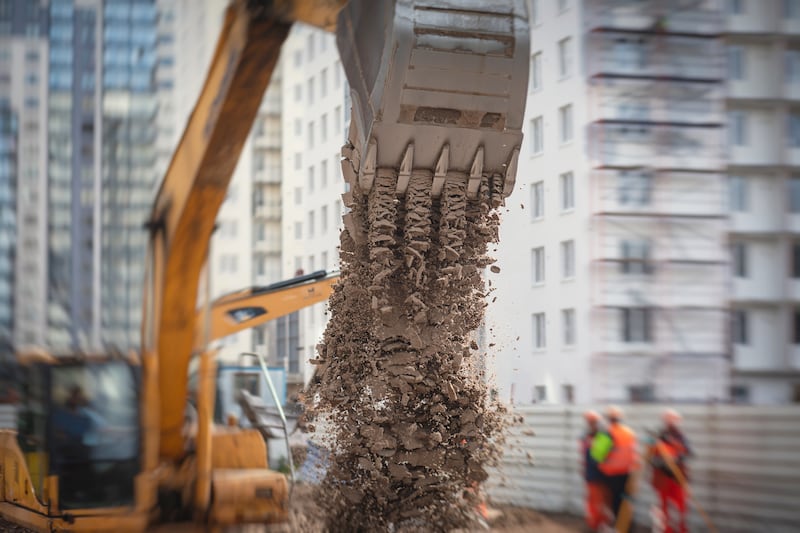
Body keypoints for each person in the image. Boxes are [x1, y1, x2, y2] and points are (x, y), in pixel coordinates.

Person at [591, 405, 639, 524]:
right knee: (626, 500)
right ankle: (628, 526)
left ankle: (618, 526)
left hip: (610, 474)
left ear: (608, 418)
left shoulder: (607, 433)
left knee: (613, 501)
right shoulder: (629, 432)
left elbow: (597, 455)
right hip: (627, 472)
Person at [648, 408, 692, 533]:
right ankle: (666, 530)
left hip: (677, 478)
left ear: (678, 421)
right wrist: (658, 461)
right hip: (663, 478)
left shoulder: (681, 437)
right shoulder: (658, 436)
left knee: (681, 508)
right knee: (663, 508)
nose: (670, 422)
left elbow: (688, 453)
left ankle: (682, 529)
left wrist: (676, 458)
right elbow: (651, 457)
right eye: (667, 420)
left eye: (673, 420)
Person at [581, 410, 610, 531]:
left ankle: (599, 524)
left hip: (601, 475)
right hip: (592, 475)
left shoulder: (602, 437)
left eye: (592, 422)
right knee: (593, 502)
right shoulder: (587, 437)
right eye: (589, 422)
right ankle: (595, 525)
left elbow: (597, 458)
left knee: (600, 502)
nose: (590, 424)